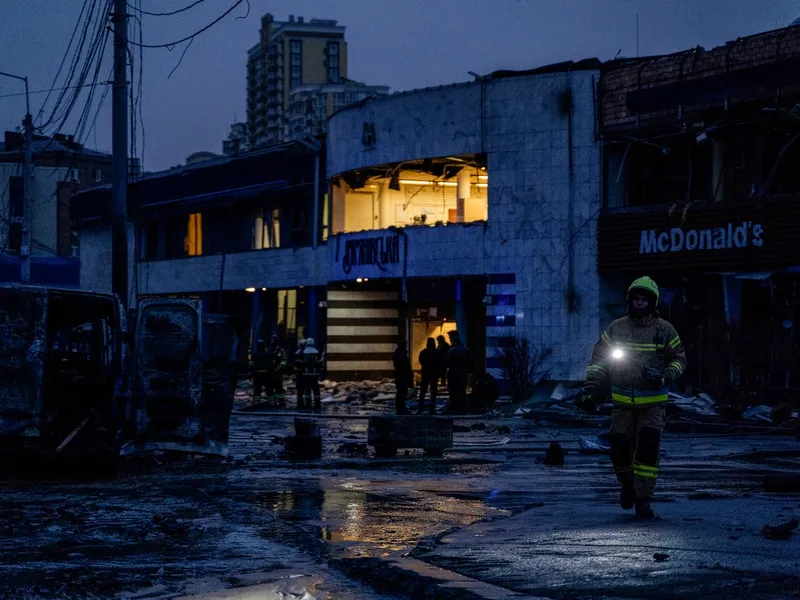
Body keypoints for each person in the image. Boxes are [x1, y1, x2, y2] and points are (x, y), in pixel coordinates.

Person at [582, 276, 687, 520]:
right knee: (619, 448)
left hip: (652, 405)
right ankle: (627, 485)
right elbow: (599, 362)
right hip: (622, 405)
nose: (640, 303)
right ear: (629, 301)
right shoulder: (616, 328)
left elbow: (680, 360)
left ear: (653, 302)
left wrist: (664, 376)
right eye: (636, 298)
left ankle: (643, 500)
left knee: (648, 451)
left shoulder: (665, 330)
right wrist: (591, 393)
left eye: (644, 299)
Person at [444, 331, 471, 413]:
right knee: (462, 390)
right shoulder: (466, 349)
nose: (449, 339)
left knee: (453, 390)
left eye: (450, 337)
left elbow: (446, 362)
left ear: (453, 338)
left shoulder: (452, 350)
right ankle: (462, 407)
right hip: (463, 373)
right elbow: (470, 362)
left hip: (453, 373)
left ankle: (455, 406)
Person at [418, 337, 440, 414]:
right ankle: (432, 409)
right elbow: (440, 363)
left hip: (425, 373)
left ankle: (420, 409)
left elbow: (421, 361)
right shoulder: (437, 352)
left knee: (423, 391)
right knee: (433, 392)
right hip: (434, 373)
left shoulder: (423, 352)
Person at [301, 337, 322, 410]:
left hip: (306, 375)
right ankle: (317, 404)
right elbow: (320, 364)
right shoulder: (317, 353)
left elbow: (302, 364)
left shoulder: (303, 353)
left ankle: (308, 404)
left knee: (307, 389)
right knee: (316, 389)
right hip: (315, 375)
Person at [265, 334, 287, 406]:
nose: (272, 342)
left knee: (279, 388)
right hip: (270, 372)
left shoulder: (281, 350)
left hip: (278, 372)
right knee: (270, 388)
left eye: (273, 340)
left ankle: (281, 402)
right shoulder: (267, 349)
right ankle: (272, 403)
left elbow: (284, 360)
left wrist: (278, 368)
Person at [392, 341, 413, 415]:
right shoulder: (401, 354)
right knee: (402, 392)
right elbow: (403, 366)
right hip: (402, 376)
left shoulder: (399, 354)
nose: (406, 346)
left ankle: (401, 408)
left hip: (401, 376)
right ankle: (401, 408)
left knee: (402, 392)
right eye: (405, 344)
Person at [293, 338, 306, 409]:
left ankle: (300, 404)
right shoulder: (303, 353)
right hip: (302, 375)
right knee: (302, 390)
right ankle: (302, 404)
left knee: (300, 391)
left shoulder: (300, 353)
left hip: (300, 375)